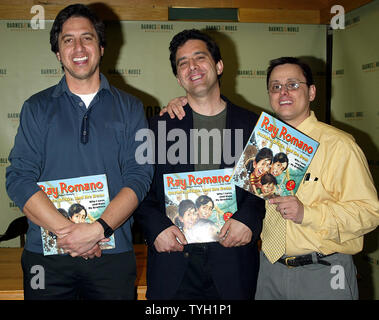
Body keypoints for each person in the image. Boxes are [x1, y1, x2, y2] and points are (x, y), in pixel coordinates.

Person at [163, 56, 379, 299]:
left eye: (293, 84)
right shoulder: (260, 140)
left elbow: (369, 213)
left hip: (322, 271)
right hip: (268, 270)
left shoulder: (338, 145)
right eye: (275, 87)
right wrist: (185, 103)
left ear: (312, 92)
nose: (283, 92)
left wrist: (308, 214)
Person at [6, 4, 153, 300]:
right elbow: (19, 178)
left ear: (100, 46)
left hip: (113, 253)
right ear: (58, 53)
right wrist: (71, 233)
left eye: (86, 38)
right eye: (67, 40)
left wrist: (98, 229)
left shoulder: (132, 108)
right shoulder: (36, 108)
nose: (78, 47)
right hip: (45, 257)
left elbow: (139, 176)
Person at [134, 29, 265, 300]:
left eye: (199, 57)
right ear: (178, 76)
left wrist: (248, 221)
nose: (191, 66)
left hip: (233, 263)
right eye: (182, 63)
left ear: (218, 65)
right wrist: (156, 227)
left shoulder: (253, 126)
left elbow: (262, 187)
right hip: (174, 262)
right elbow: (139, 191)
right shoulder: (157, 128)